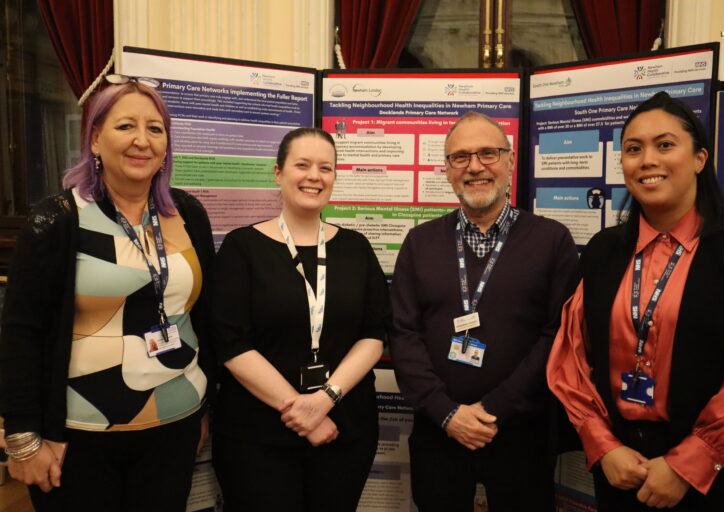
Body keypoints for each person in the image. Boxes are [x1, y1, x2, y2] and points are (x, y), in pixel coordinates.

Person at [0, 76, 216, 511]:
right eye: (126, 126)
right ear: (95, 140)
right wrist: (22, 438)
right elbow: (21, 332)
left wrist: (206, 407)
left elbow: (205, 315)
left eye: (155, 129)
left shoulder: (187, 213)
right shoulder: (58, 219)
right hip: (80, 431)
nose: (142, 140)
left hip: (175, 421)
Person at [547, 91, 724, 511]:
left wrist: (693, 462)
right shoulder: (603, 251)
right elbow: (570, 356)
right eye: (634, 149)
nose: (647, 160)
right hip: (620, 468)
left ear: (699, 158)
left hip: (719, 477)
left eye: (665, 145)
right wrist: (602, 444)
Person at [390, 111, 579, 511]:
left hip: (521, 435)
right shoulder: (419, 243)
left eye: (488, 153)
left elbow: (558, 335)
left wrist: (493, 410)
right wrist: (447, 413)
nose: (475, 167)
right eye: (461, 157)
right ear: (447, 170)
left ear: (510, 162)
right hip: (439, 434)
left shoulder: (552, 240)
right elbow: (403, 333)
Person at [210, 127, 389, 512]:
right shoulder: (242, 247)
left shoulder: (356, 248)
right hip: (257, 435)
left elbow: (375, 333)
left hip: (343, 429)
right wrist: (302, 411)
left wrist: (325, 399)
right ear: (278, 173)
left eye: (326, 168)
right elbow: (230, 342)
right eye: (302, 165)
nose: (314, 176)